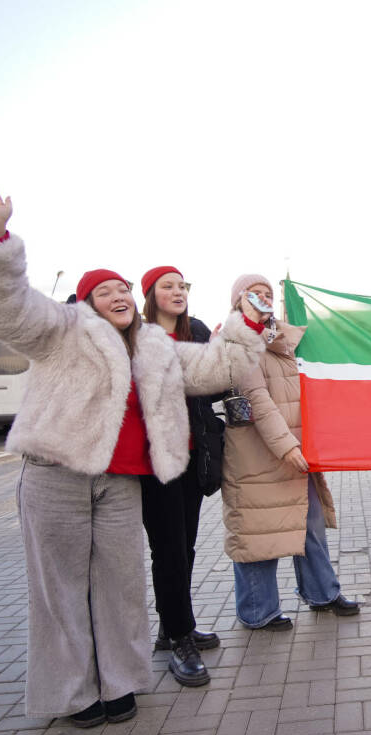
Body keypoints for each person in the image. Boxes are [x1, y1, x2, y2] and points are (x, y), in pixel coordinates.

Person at [0, 184, 263, 727]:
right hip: (58, 478)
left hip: (122, 483)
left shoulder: (154, 347)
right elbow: (5, 305)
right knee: (62, 591)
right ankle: (73, 693)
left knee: (121, 587)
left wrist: (249, 324)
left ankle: (122, 680)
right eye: (106, 291)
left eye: (124, 288)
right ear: (86, 303)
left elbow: (218, 370)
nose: (120, 294)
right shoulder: (60, 331)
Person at [222, 274, 359, 630]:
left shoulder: (283, 342)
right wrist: (286, 448)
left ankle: (323, 593)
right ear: (238, 301)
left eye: (268, 294)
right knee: (259, 531)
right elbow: (258, 401)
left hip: (297, 450)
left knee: (311, 525)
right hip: (259, 455)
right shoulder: (237, 342)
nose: (263, 299)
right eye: (255, 294)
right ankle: (257, 610)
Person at [138, 265, 226, 687]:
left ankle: (176, 625)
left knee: (186, 546)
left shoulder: (198, 331)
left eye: (181, 286)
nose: (177, 292)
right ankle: (178, 639)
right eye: (167, 287)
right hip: (156, 461)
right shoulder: (135, 336)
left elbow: (216, 384)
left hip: (194, 456)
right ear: (151, 295)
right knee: (168, 549)